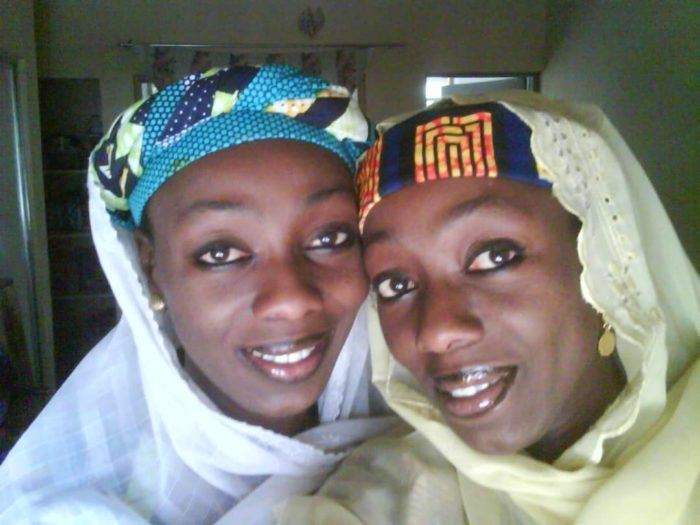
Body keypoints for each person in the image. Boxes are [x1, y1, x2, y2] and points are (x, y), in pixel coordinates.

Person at [275, 92, 700, 524]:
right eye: (395, 284)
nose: (436, 331)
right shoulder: (392, 496)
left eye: (495, 257)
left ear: (602, 263)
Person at [0, 64, 397, 524]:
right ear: (151, 269)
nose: (291, 299)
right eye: (221, 252)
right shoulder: (75, 511)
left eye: (330, 238)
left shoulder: (420, 443)